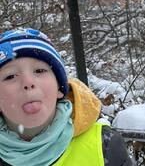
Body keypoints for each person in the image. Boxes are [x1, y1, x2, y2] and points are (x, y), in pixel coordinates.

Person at [0, 28, 132, 166]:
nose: (28, 82)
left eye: (39, 70)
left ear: (59, 88)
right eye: (10, 76)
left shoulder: (104, 145)